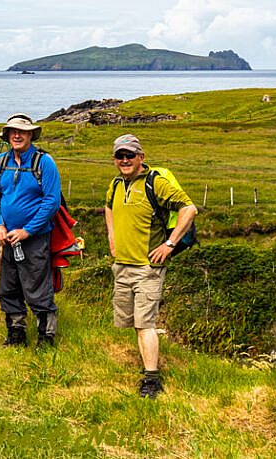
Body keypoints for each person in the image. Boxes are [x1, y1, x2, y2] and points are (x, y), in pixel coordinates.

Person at [104, 133, 197, 399]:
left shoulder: (155, 183)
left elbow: (188, 209)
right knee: (135, 323)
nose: (124, 160)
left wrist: (169, 243)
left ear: (141, 157)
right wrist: (112, 236)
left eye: (129, 155)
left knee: (146, 323)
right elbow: (108, 207)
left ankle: (152, 380)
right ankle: (147, 368)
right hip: (122, 265)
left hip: (147, 268)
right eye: (119, 156)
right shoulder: (116, 184)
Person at [0, 114, 61, 348]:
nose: (17, 135)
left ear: (30, 135)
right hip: (4, 238)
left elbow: (51, 201)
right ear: (7, 136)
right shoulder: (0, 162)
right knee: (6, 285)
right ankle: (16, 332)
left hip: (34, 238)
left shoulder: (44, 162)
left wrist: (27, 231)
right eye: (12, 132)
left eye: (22, 132)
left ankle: (45, 336)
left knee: (36, 285)